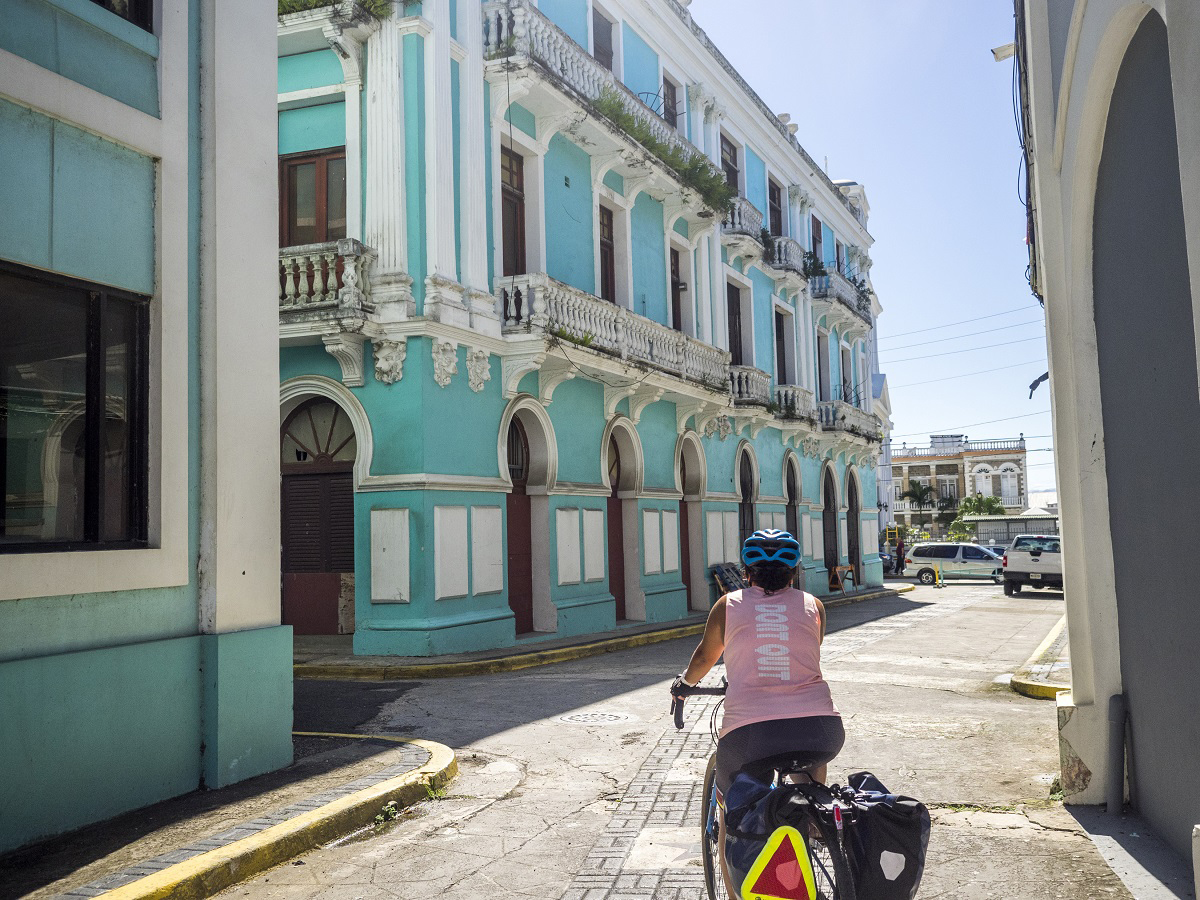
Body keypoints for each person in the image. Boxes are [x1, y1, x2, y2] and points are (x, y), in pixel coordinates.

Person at [671, 529, 843, 896]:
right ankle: (814, 820)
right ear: (794, 572)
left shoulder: (728, 605)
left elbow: (704, 657)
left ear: (746, 572)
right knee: (809, 775)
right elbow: (806, 650)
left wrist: (684, 685)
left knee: (731, 815)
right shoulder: (815, 605)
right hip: (821, 729)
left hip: (752, 735)